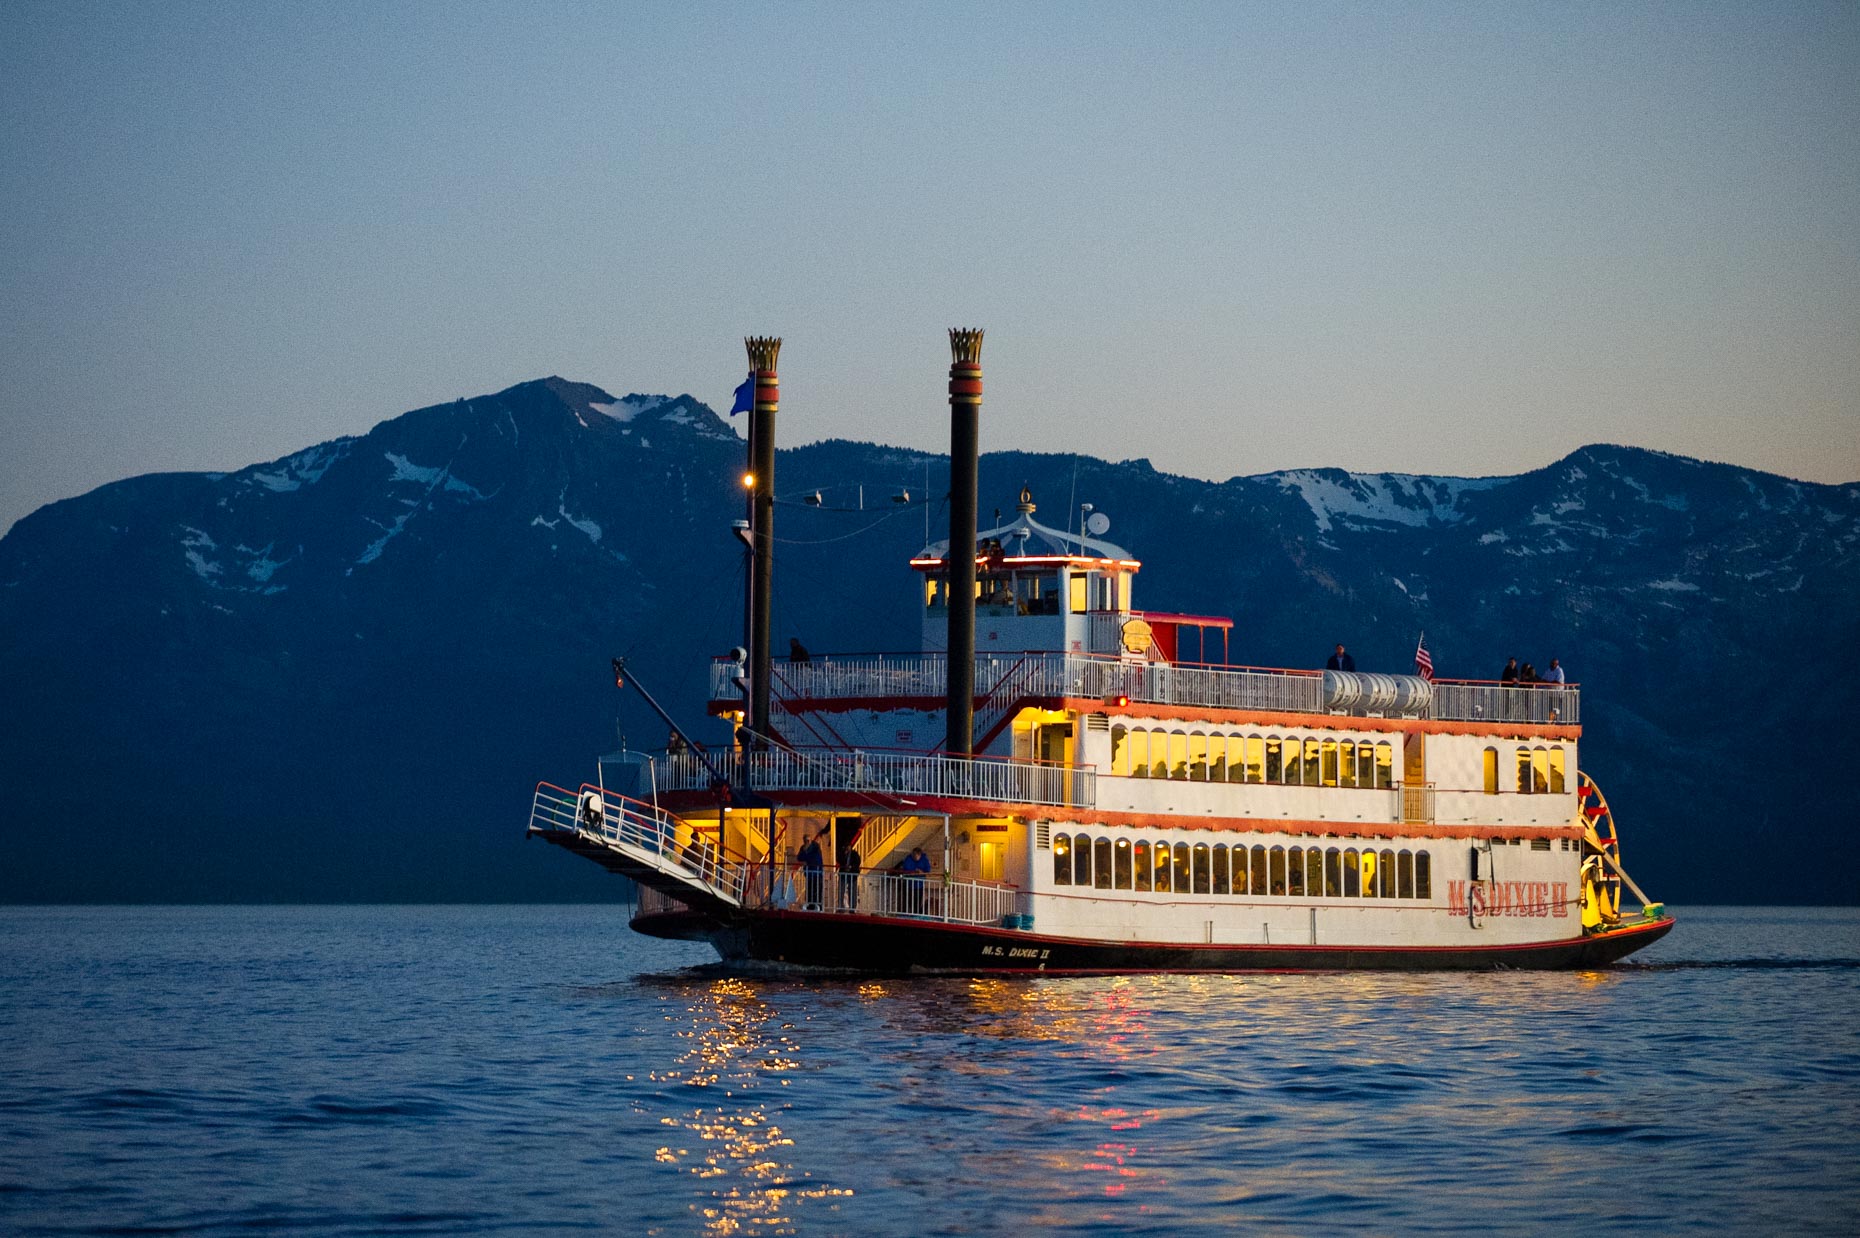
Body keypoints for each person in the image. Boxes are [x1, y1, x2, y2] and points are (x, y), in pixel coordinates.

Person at [797, 831, 825, 910]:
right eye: (805, 841)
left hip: (817, 872)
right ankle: (810, 905)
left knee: (817, 889)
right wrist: (805, 854)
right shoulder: (803, 848)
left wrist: (806, 857)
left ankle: (818, 906)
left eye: (808, 840)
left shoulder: (816, 847)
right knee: (809, 890)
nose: (807, 842)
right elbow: (799, 857)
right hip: (809, 873)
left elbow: (815, 858)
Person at [901, 846, 932, 914]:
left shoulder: (924, 859)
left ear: (920, 854)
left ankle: (917, 913)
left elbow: (928, 869)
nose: (915, 857)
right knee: (909, 900)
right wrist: (914, 871)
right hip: (909, 884)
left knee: (918, 901)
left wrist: (921, 872)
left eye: (917, 855)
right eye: (914, 855)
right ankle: (909, 913)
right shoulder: (908, 859)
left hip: (919, 884)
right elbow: (905, 869)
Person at [838, 839, 861, 911]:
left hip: (852, 875)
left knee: (853, 891)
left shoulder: (854, 854)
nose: (847, 848)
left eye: (848, 846)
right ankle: (841, 907)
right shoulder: (843, 854)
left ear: (850, 847)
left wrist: (851, 866)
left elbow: (858, 862)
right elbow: (839, 860)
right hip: (843, 874)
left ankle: (852, 908)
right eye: (846, 846)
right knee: (841, 890)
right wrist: (844, 855)